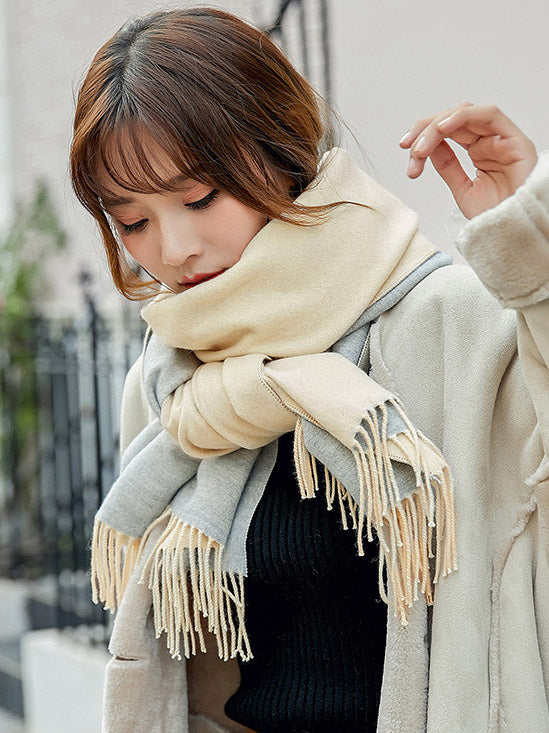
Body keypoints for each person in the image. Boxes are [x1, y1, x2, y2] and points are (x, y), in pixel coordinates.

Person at [70, 7, 549, 732]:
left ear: (282, 151)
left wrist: (529, 260)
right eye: (132, 221)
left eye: (199, 198)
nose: (172, 248)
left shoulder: (446, 323)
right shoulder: (171, 383)